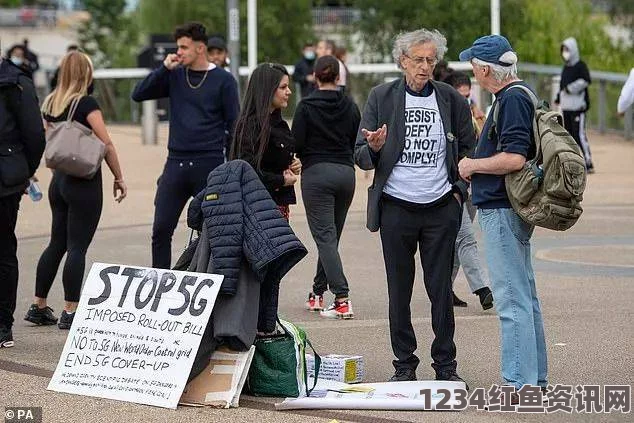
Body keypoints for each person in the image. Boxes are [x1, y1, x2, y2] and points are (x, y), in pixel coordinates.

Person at [355, 29, 474, 385]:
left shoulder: (451, 99)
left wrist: (458, 192)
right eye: (418, 60)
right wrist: (374, 148)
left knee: (440, 291)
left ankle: (445, 366)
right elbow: (359, 156)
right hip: (396, 208)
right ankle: (404, 365)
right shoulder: (382, 96)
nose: (425, 67)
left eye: (431, 60)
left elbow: (471, 149)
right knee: (399, 291)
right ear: (402, 61)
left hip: (440, 208)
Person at [458, 35, 548, 400]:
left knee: (511, 298)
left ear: (484, 69)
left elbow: (513, 157)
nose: (473, 71)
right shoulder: (522, 94)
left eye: (474, 65)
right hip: (512, 208)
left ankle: (519, 384)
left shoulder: (509, 100)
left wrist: (472, 165)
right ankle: (534, 379)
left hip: (501, 208)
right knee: (525, 296)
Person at [25, 51, 127, 330]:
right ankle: (71, 310)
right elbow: (106, 144)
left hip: (58, 181)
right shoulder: (85, 104)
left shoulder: (49, 102)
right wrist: (119, 177)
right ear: (86, 74)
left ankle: (38, 305)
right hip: (83, 182)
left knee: (56, 242)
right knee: (77, 246)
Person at [132, 22, 240, 269]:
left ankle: (207, 286)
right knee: (160, 230)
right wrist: (164, 68)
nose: (178, 51)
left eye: (184, 47)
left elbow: (234, 125)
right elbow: (138, 94)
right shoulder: (175, 74)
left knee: (212, 231)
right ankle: (159, 285)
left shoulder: (224, 81)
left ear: (200, 48)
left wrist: (231, 166)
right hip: (176, 163)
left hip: (209, 164)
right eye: (177, 46)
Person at [230, 62, 301, 334]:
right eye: (283, 87)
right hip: (258, 210)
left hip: (279, 208)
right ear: (267, 89)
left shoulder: (279, 123)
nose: (288, 92)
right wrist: (280, 179)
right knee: (260, 272)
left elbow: (279, 157)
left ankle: (266, 327)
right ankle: (256, 328)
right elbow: (245, 170)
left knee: (273, 272)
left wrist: (293, 165)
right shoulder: (249, 126)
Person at [292, 55, 360, 319]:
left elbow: (296, 142)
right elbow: (356, 139)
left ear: (315, 76)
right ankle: (317, 293)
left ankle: (342, 297)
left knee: (325, 237)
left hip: (317, 174)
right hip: (345, 173)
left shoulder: (306, 106)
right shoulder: (351, 106)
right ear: (338, 77)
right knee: (330, 238)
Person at [0, 51, 46, 348]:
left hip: (5, 181)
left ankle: (3, 324)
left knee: (3, 250)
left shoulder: (16, 83)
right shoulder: (16, 82)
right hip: (8, 176)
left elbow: (35, 136)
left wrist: (21, 172)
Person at [443, 70, 493, 310]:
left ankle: (444, 288)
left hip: (473, 184)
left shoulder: (474, 114)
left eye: (468, 95)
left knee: (455, 242)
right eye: (460, 96)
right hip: (453, 186)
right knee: (465, 237)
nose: (466, 101)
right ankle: (482, 288)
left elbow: (484, 145)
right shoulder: (444, 117)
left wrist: (481, 120)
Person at [555, 37, 594, 173]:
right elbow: (561, 86)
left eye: (567, 49)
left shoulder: (580, 66)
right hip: (566, 107)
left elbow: (586, 81)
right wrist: (558, 97)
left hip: (578, 107)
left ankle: (588, 162)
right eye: (563, 50)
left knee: (579, 135)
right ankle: (573, 162)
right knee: (569, 135)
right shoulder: (565, 68)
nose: (565, 52)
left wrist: (571, 88)